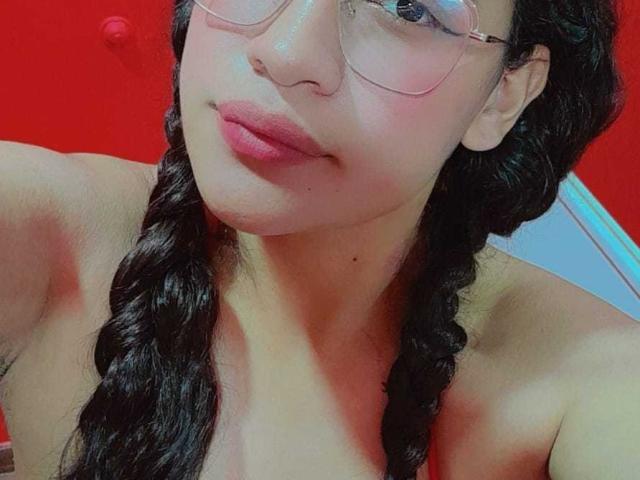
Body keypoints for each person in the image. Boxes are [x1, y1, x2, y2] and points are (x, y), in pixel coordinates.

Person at [0, 0, 637, 478]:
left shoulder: (589, 382)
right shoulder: (46, 238)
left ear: (503, 94)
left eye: (407, 7)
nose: (285, 52)